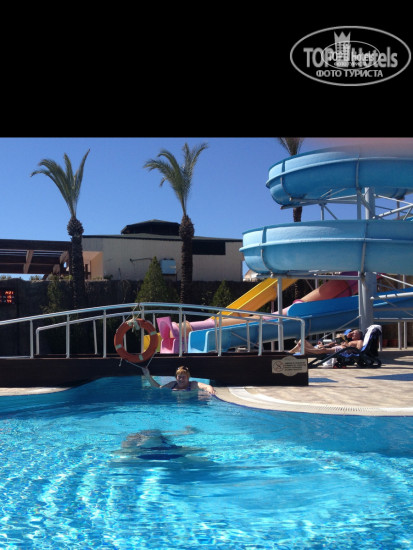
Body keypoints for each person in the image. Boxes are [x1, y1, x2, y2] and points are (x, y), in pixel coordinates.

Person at [138, 364, 216, 395]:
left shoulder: (192, 384)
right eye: (179, 377)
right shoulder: (173, 384)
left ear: (188, 377)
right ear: (176, 377)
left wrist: (211, 392)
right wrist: (148, 376)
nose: (181, 379)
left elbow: (207, 386)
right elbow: (159, 387)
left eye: (184, 377)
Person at [289, 329, 364, 355]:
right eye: (352, 332)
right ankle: (291, 352)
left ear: (359, 335)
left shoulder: (359, 341)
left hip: (340, 350)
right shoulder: (348, 340)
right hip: (334, 348)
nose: (352, 333)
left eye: (354, 333)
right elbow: (335, 342)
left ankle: (305, 350)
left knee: (323, 350)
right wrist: (346, 337)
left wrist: (347, 345)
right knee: (302, 340)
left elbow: (359, 350)